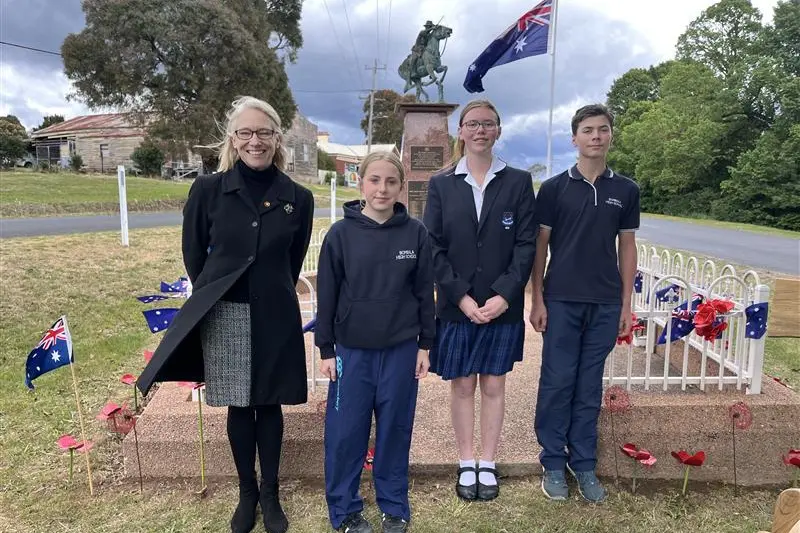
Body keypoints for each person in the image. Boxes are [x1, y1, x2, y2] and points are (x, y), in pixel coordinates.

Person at [137, 96, 314, 533]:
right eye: (245, 133)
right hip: (227, 312)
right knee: (238, 404)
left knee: (270, 405)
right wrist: (220, 292)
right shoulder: (208, 191)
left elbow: (291, 261)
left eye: (264, 133)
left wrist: (265, 290)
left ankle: (270, 494)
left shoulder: (298, 198)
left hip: (274, 312)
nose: (255, 141)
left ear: (277, 139)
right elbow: (195, 257)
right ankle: (246, 493)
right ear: (232, 140)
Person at [422, 99, 537, 502]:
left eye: (488, 124)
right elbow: (432, 246)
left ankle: (487, 463)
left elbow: (526, 245)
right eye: (472, 124)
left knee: (493, 384)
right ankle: (466, 460)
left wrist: (505, 296)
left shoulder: (519, 181)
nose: (480, 130)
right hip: (457, 307)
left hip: (500, 307)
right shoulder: (441, 184)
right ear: (461, 131)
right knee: (462, 385)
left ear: (499, 131)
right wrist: (461, 297)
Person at [315, 151, 435, 533]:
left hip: (400, 351)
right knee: (346, 434)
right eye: (375, 180)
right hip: (352, 353)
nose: (382, 189)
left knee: (395, 430)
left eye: (391, 182)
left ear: (401, 187)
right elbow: (328, 297)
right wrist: (326, 349)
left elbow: (423, 294)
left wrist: (424, 345)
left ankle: (394, 505)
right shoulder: (340, 234)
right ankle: (345, 509)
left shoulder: (415, 234)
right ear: (360, 183)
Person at [530, 103, 640, 503]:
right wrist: (537, 298)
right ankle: (553, 462)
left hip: (605, 302)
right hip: (561, 300)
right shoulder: (555, 188)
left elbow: (627, 247)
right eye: (589, 130)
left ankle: (585, 463)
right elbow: (539, 248)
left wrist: (626, 305)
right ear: (574, 138)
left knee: (588, 386)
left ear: (611, 135)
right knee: (558, 382)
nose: (596, 136)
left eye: (603, 129)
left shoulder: (625, 190)